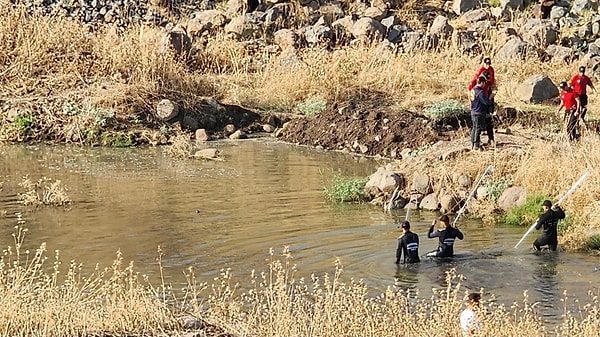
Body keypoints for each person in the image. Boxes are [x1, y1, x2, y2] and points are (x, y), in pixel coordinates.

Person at [470, 76, 495, 150]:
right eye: (484, 83)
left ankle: (473, 143)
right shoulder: (480, 92)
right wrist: (491, 98)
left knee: (474, 128)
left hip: (473, 111)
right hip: (479, 112)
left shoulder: (473, 90)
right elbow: (486, 102)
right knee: (478, 128)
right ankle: (476, 145)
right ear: (482, 82)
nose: (484, 85)